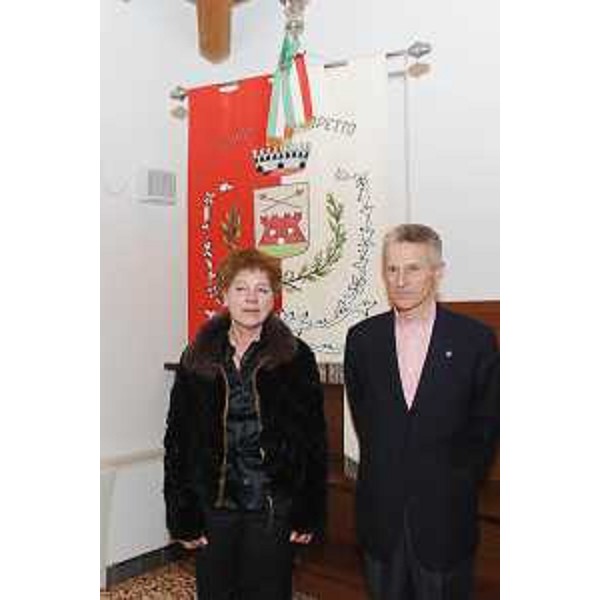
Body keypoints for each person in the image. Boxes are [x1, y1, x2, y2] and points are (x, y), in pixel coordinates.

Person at [344, 224, 499, 600]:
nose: (400, 280)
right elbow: (367, 423)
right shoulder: (362, 340)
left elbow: (485, 428)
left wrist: (453, 484)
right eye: (392, 269)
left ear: (437, 272)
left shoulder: (475, 340)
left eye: (413, 268)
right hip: (381, 522)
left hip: (445, 522)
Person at [164, 248, 327, 600]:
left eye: (262, 289)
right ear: (224, 294)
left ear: (274, 298)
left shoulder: (296, 357)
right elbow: (177, 440)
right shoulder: (196, 357)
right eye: (241, 288)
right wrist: (182, 512)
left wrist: (308, 510)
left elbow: (314, 440)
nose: (251, 298)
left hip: (271, 510)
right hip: (214, 510)